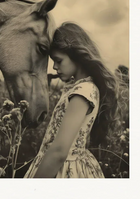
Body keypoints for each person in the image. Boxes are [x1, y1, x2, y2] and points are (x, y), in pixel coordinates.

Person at [23, 22, 123, 178]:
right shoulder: (83, 88)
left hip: (64, 169)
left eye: (59, 60)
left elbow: (59, 152)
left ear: (77, 56)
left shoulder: (83, 91)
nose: (55, 67)